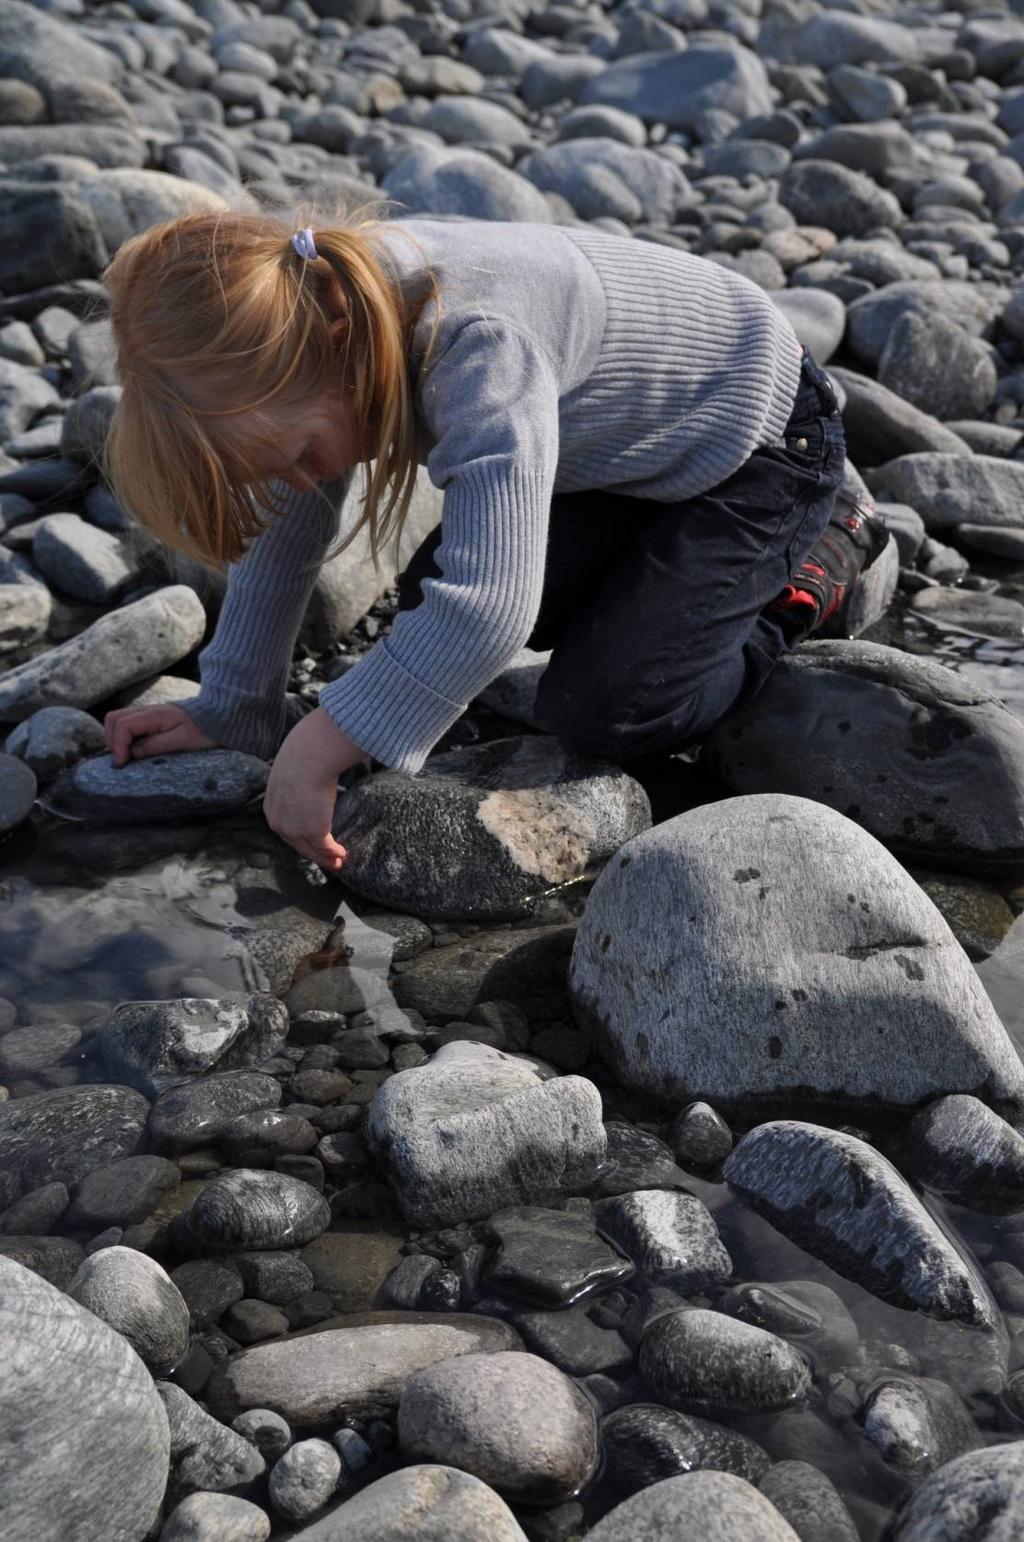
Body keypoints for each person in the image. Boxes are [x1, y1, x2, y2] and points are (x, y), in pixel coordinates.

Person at [102, 206, 887, 874]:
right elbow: (289, 521)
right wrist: (237, 704)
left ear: (333, 341)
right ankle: (662, 581)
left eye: (304, 454)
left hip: (762, 445)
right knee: (423, 602)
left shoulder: (477, 341)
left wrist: (321, 743)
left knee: (609, 709)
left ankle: (819, 563)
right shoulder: (316, 321)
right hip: (628, 458)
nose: (304, 479)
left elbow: (487, 611)